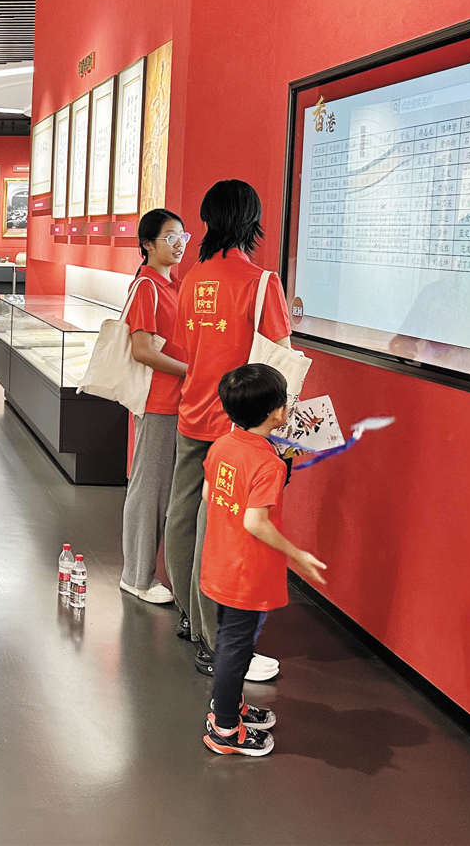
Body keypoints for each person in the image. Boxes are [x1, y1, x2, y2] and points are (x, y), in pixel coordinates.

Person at [164, 179, 291, 681]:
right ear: (251, 220)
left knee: (182, 513)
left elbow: (186, 347)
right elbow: (280, 359)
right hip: (236, 426)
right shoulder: (261, 282)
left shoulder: (193, 277)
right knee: (219, 530)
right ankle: (217, 642)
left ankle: (188, 615)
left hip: (192, 410)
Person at [200, 364, 327, 756]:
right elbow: (255, 522)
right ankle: (225, 729)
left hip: (220, 562)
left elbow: (208, 495)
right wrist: (297, 554)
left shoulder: (222, 445)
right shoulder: (268, 464)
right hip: (246, 573)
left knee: (230, 642)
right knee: (236, 648)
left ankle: (228, 706)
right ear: (277, 413)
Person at [119, 209, 190, 605]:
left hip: (179, 399)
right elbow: (142, 350)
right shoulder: (147, 286)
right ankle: (137, 576)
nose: (179, 245)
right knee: (150, 488)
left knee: (163, 487)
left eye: (182, 236)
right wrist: (191, 371)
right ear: (147, 244)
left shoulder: (173, 284)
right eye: (169, 237)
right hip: (159, 400)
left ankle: (145, 571)